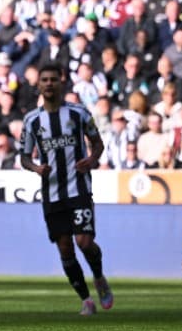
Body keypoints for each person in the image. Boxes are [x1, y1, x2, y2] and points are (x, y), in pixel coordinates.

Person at [19, 64, 113, 316]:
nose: (49, 83)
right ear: (39, 85)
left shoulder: (79, 113)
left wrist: (91, 160)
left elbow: (98, 144)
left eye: (53, 79)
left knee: (84, 242)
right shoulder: (31, 120)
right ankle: (86, 300)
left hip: (79, 188)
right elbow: (24, 157)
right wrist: (36, 168)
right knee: (65, 247)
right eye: (45, 80)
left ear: (61, 83)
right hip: (52, 193)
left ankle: (99, 277)